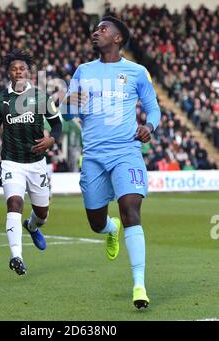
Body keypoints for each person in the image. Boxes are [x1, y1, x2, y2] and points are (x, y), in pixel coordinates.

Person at [60, 16, 161, 309]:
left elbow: (154, 109)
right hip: (93, 156)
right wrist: (69, 105)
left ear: (118, 38)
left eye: (103, 29)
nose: (96, 32)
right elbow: (67, 115)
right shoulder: (83, 71)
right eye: (95, 29)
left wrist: (149, 128)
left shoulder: (137, 72)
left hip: (126, 152)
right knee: (96, 223)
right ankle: (110, 229)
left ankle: (139, 285)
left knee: (131, 209)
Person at [0, 50, 62, 276]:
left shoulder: (41, 97)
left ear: (29, 72)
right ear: (8, 72)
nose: (18, 72)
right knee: (14, 203)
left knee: (42, 214)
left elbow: (56, 125)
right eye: (14, 69)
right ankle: (16, 256)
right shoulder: (0, 100)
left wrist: (51, 139)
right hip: (11, 162)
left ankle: (31, 226)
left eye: (22, 68)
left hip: (37, 162)